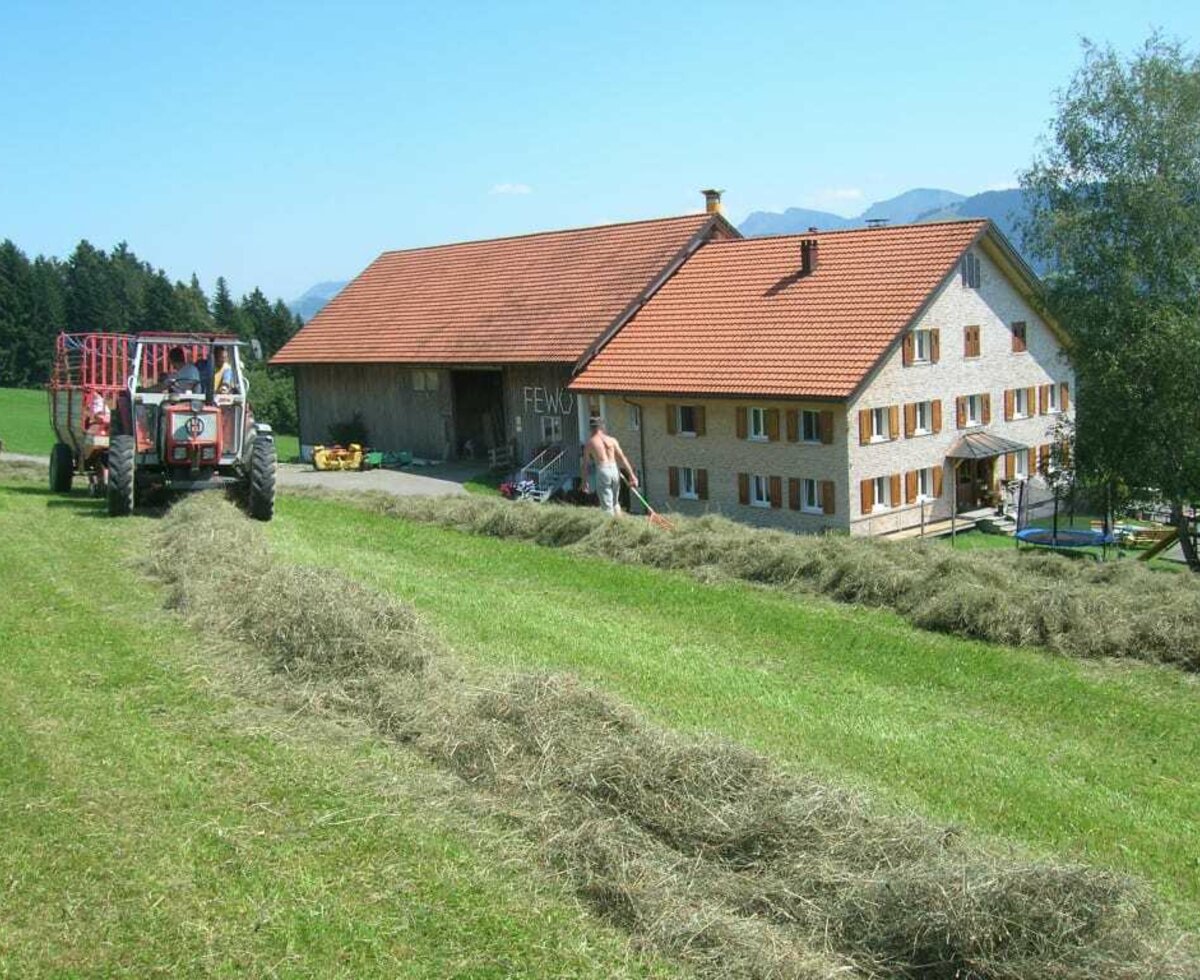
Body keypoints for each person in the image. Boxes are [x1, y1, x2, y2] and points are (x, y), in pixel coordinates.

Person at [581, 415, 637, 516]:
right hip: (615, 469)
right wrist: (632, 475)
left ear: (591, 428)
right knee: (615, 503)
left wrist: (584, 481)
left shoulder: (590, 443)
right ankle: (620, 526)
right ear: (602, 427)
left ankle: (611, 528)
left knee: (607, 506)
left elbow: (585, 465)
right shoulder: (612, 440)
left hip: (603, 470)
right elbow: (623, 458)